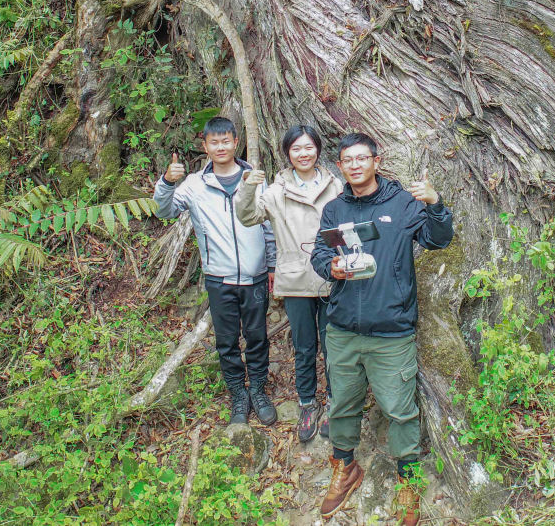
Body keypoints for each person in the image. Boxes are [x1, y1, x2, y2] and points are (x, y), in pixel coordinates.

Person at [309, 133, 454, 526]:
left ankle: (409, 480)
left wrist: (436, 204)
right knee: (342, 403)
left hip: (391, 329)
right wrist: (330, 267)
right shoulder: (335, 209)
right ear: (340, 166)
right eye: (347, 160)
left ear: (376, 160)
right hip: (342, 328)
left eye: (361, 158)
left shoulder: (402, 204)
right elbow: (321, 251)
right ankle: (345, 466)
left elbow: (439, 239)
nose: (354, 165)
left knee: (399, 409)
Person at [153, 116, 278, 426]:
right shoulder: (195, 184)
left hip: (256, 275)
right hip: (218, 278)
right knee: (226, 341)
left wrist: (273, 265)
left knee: (258, 336)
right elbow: (165, 211)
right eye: (214, 142)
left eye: (226, 141)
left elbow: (270, 226)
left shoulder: (255, 178)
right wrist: (167, 182)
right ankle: (239, 394)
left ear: (236, 142)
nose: (220, 146)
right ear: (205, 147)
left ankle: (259, 391)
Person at [237, 124, 343, 443]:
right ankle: (307, 403)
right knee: (305, 346)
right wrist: (245, 189)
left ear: (318, 150)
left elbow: (346, 225)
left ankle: (337, 405)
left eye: (308, 147)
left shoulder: (335, 185)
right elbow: (248, 217)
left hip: (332, 276)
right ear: (287, 154)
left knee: (334, 346)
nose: (303, 153)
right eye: (296, 148)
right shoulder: (275, 191)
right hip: (296, 278)